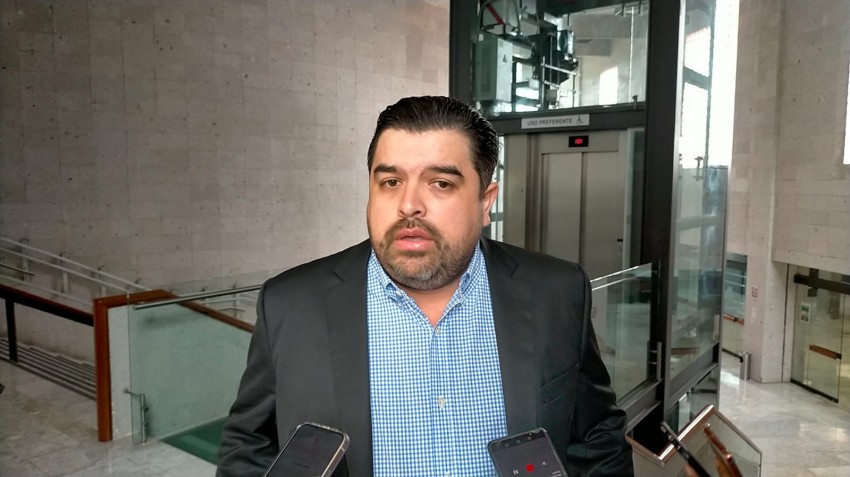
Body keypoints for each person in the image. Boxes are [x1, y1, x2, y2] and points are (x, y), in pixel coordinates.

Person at [216, 96, 634, 477]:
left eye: (440, 183)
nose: (409, 205)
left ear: (485, 201)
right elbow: (248, 447)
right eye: (391, 182)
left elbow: (597, 438)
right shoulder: (290, 303)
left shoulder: (556, 292)